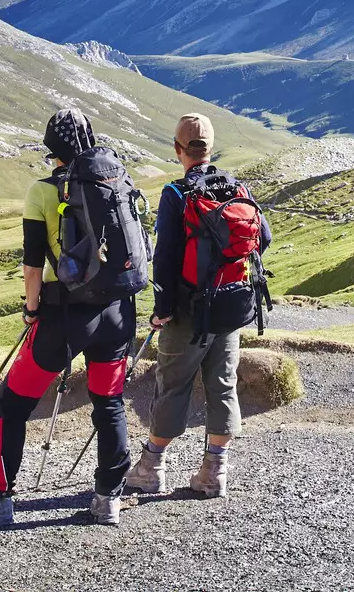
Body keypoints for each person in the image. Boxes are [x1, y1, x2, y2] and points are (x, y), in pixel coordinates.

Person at [0, 108, 143, 527]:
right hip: (119, 312)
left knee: (14, 402)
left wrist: (32, 309)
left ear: (52, 149)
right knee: (109, 403)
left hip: (65, 315)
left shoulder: (42, 191)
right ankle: (108, 498)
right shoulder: (117, 181)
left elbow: (33, 265)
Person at [124, 112, 271, 499]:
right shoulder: (237, 187)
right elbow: (264, 238)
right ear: (211, 148)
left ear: (178, 150)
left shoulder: (176, 194)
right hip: (231, 307)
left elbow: (166, 258)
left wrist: (162, 308)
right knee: (223, 385)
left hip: (188, 313)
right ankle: (214, 472)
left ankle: (152, 468)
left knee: (172, 387)